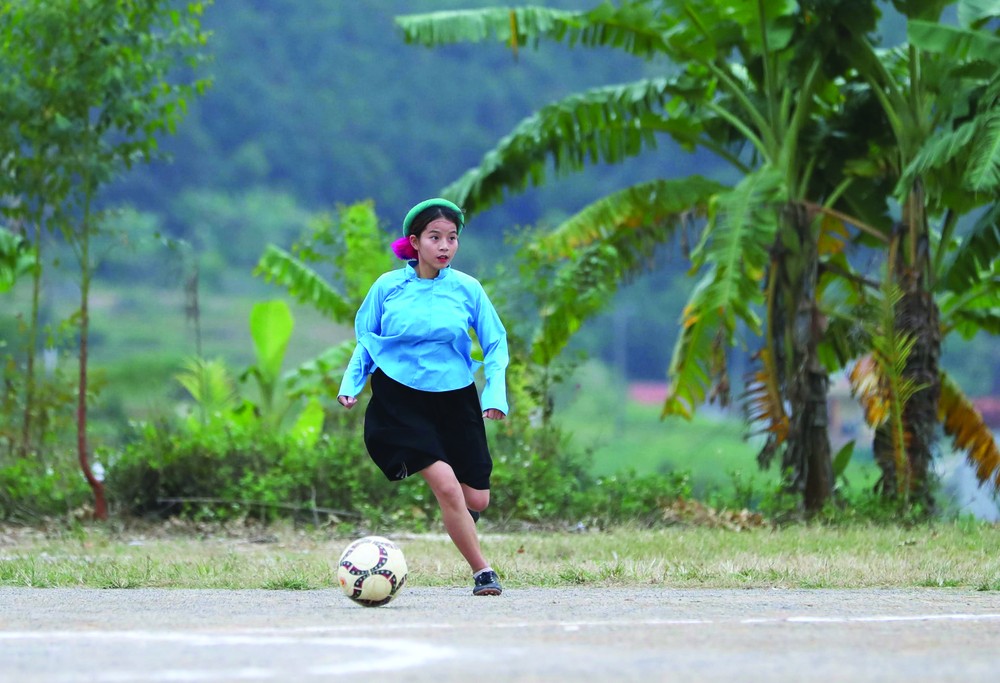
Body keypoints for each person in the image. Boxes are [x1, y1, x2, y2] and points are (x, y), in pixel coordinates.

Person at [337, 198, 509, 597]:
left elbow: (495, 343)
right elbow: (367, 340)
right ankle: (483, 571)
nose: (445, 246)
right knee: (447, 487)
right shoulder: (387, 287)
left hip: (455, 398)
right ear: (415, 242)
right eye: (435, 237)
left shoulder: (468, 289)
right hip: (400, 400)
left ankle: (464, 520)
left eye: (451, 238)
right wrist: (352, 384)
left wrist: (494, 393)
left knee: (477, 499)